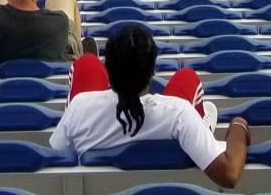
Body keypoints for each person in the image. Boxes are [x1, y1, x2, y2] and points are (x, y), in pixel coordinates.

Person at [51, 22, 249, 185]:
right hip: (174, 148)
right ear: (153, 71)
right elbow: (229, 174)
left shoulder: (79, 107)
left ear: (109, 71)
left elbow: (58, 154)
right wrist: (238, 127)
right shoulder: (178, 113)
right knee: (187, 77)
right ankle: (202, 131)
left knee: (87, 63)